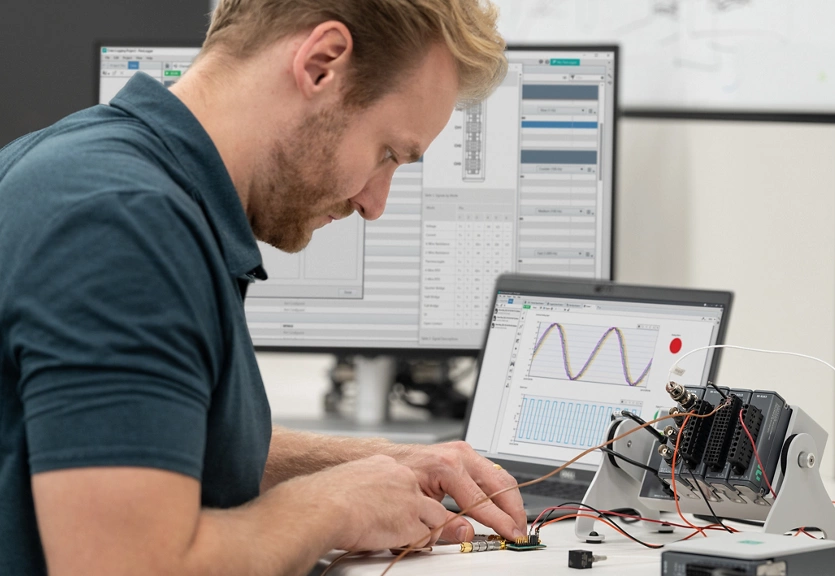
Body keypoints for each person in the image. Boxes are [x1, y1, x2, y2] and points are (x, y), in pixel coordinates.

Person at [0, 1, 527, 574]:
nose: (375, 204)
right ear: (322, 64)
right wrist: (332, 505)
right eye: (387, 154)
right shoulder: (125, 226)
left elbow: (145, 442)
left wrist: (380, 462)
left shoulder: (82, 164)